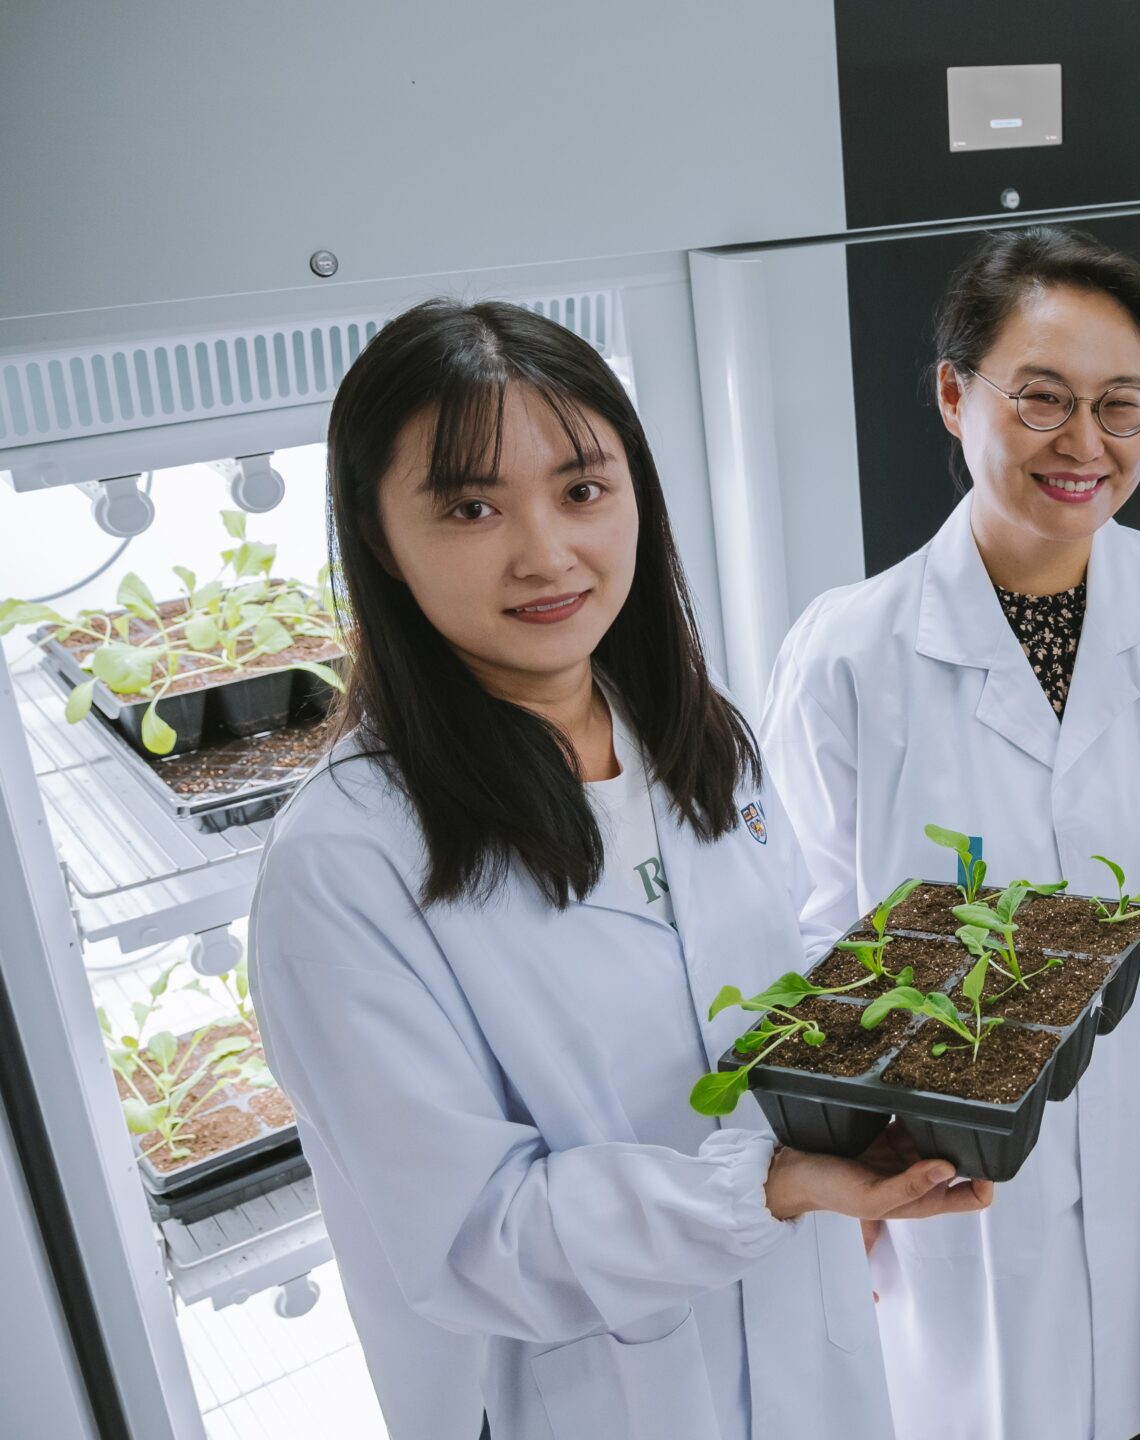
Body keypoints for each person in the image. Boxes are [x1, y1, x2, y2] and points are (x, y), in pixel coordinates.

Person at [249, 300, 990, 1440]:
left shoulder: (692, 735)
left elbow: (776, 966)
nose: (546, 552)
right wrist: (769, 1186)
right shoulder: (347, 866)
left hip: (805, 1341)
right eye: (470, 507)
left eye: (582, 489)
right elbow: (471, 1237)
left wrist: (878, 1095)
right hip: (594, 1398)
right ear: (378, 537)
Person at [759, 226, 1140, 1440]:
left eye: (1122, 407)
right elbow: (814, 924)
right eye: (1042, 401)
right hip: (950, 1135)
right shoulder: (849, 652)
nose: (1085, 446)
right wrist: (842, 1148)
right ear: (955, 393)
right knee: (986, 1406)